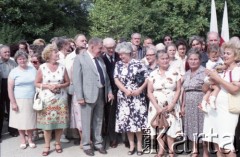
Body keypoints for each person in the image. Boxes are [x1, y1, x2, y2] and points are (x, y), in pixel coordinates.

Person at [73, 37, 114, 156]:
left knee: (99, 120)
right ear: (92, 46)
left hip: (101, 94)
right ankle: (86, 145)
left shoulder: (100, 59)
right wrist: (80, 97)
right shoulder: (80, 59)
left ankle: (98, 143)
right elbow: (77, 80)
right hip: (86, 96)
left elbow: (105, 77)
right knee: (86, 122)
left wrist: (109, 91)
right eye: (100, 48)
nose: (102, 50)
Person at [203, 39, 240, 157]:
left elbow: (234, 90)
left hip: (228, 111)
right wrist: (209, 79)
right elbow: (204, 89)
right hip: (215, 111)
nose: (224, 55)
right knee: (217, 143)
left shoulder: (237, 70)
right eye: (224, 53)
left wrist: (217, 79)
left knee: (226, 144)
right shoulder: (221, 69)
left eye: (228, 53)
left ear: (236, 56)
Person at [35, 44, 70, 156]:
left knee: (59, 123)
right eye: (55, 52)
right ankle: (47, 145)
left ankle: (58, 143)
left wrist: (59, 86)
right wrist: (48, 86)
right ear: (49, 54)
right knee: (47, 124)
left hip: (61, 99)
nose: (57, 54)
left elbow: (68, 82)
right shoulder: (42, 67)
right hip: (47, 100)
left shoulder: (62, 66)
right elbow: (36, 82)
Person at [114, 42, 148, 156]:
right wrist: (125, 90)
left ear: (128, 53)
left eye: (122, 54)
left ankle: (139, 145)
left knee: (138, 122)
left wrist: (140, 90)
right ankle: (131, 145)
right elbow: (116, 79)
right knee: (128, 122)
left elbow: (147, 78)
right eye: (119, 54)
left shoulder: (138, 63)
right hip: (124, 97)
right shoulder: (118, 64)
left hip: (137, 97)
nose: (121, 56)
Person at [147, 51, 182, 157]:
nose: (165, 60)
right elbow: (149, 91)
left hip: (171, 105)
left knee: (171, 127)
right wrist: (157, 107)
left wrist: (172, 104)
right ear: (157, 61)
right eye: (162, 59)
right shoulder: (152, 74)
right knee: (159, 127)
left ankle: (171, 152)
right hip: (156, 106)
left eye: (167, 58)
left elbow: (178, 89)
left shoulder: (175, 72)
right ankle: (161, 151)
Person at [182, 48, 208, 157]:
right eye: (191, 59)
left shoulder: (204, 72)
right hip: (188, 104)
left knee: (203, 127)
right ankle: (195, 150)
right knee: (192, 126)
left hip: (200, 103)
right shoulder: (186, 74)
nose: (193, 61)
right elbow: (184, 91)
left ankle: (206, 152)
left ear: (200, 60)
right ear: (187, 60)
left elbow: (209, 89)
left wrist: (205, 102)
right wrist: (183, 105)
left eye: (195, 59)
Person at [8, 50, 37, 149]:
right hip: (19, 99)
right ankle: (23, 140)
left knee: (30, 121)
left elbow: (37, 82)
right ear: (16, 60)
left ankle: (30, 139)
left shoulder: (33, 69)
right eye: (20, 59)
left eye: (24, 58)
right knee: (20, 121)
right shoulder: (14, 71)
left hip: (32, 98)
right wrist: (13, 102)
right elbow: (10, 88)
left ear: (27, 59)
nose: (22, 60)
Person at [101, 37, 120, 148]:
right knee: (109, 115)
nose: (111, 50)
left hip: (120, 90)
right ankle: (111, 137)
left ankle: (121, 137)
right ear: (104, 47)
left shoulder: (119, 57)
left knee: (119, 115)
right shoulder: (100, 59)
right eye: (108, 48)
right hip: (107, 91)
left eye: (113, 47)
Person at [0, 45, 18, 139]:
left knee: (11, 108)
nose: (7, 53)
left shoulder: (13, 62)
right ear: (0, 53)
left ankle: (13, 130)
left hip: (11, 85)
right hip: (1, 86)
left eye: (8, 52)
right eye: (5, 52)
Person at [199, 45, 224, 112]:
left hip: (217, 78)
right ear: (209, 56)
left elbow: (223, 67)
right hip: (211, 79)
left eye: (217, 56)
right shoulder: (209, 63)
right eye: (213, 57)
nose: (215, 58)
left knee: (209, 91)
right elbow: (210, 72)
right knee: (217, 88)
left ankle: (204, 103)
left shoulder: (220, 60)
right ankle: (212, 100)